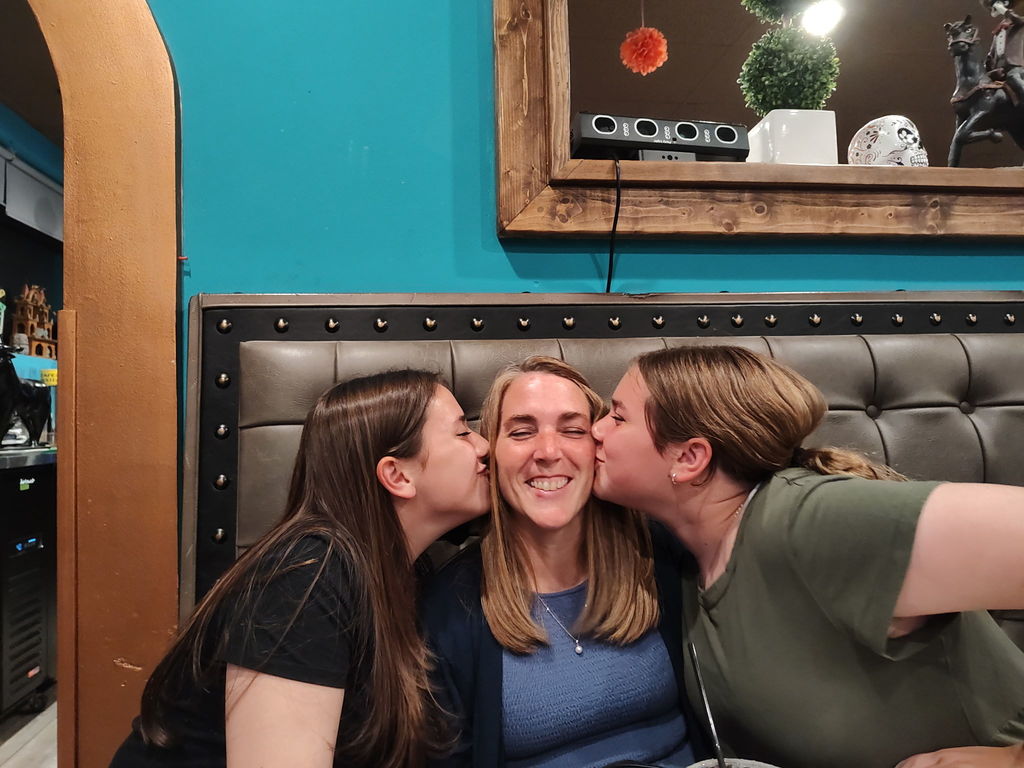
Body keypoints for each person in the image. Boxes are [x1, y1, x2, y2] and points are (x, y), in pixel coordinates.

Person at [592, 345, 1024, 768]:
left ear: (689, 458)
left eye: (617, 416)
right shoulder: (682, 552)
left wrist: (1013, 759)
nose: (596, 430)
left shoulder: (814, 520)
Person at [109, 370, 490, 768]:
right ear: (397, 475)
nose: (484, 446)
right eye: (463, 432)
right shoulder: (306, 579)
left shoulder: (405, 571)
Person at [421, 356, 705, 768]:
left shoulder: (659, 555)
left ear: (599, 447)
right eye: (521, 432)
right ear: (491, 455)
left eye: (573, 430)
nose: (549, 452)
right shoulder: (449, 608)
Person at [984, 0, 1024, 102]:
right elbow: (992, 53)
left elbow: (1016, 19)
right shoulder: (999, 30)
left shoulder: (1018, 22)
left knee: (1015, 78)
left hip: (1015, 67)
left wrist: (1003, 9)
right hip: (999, 71)